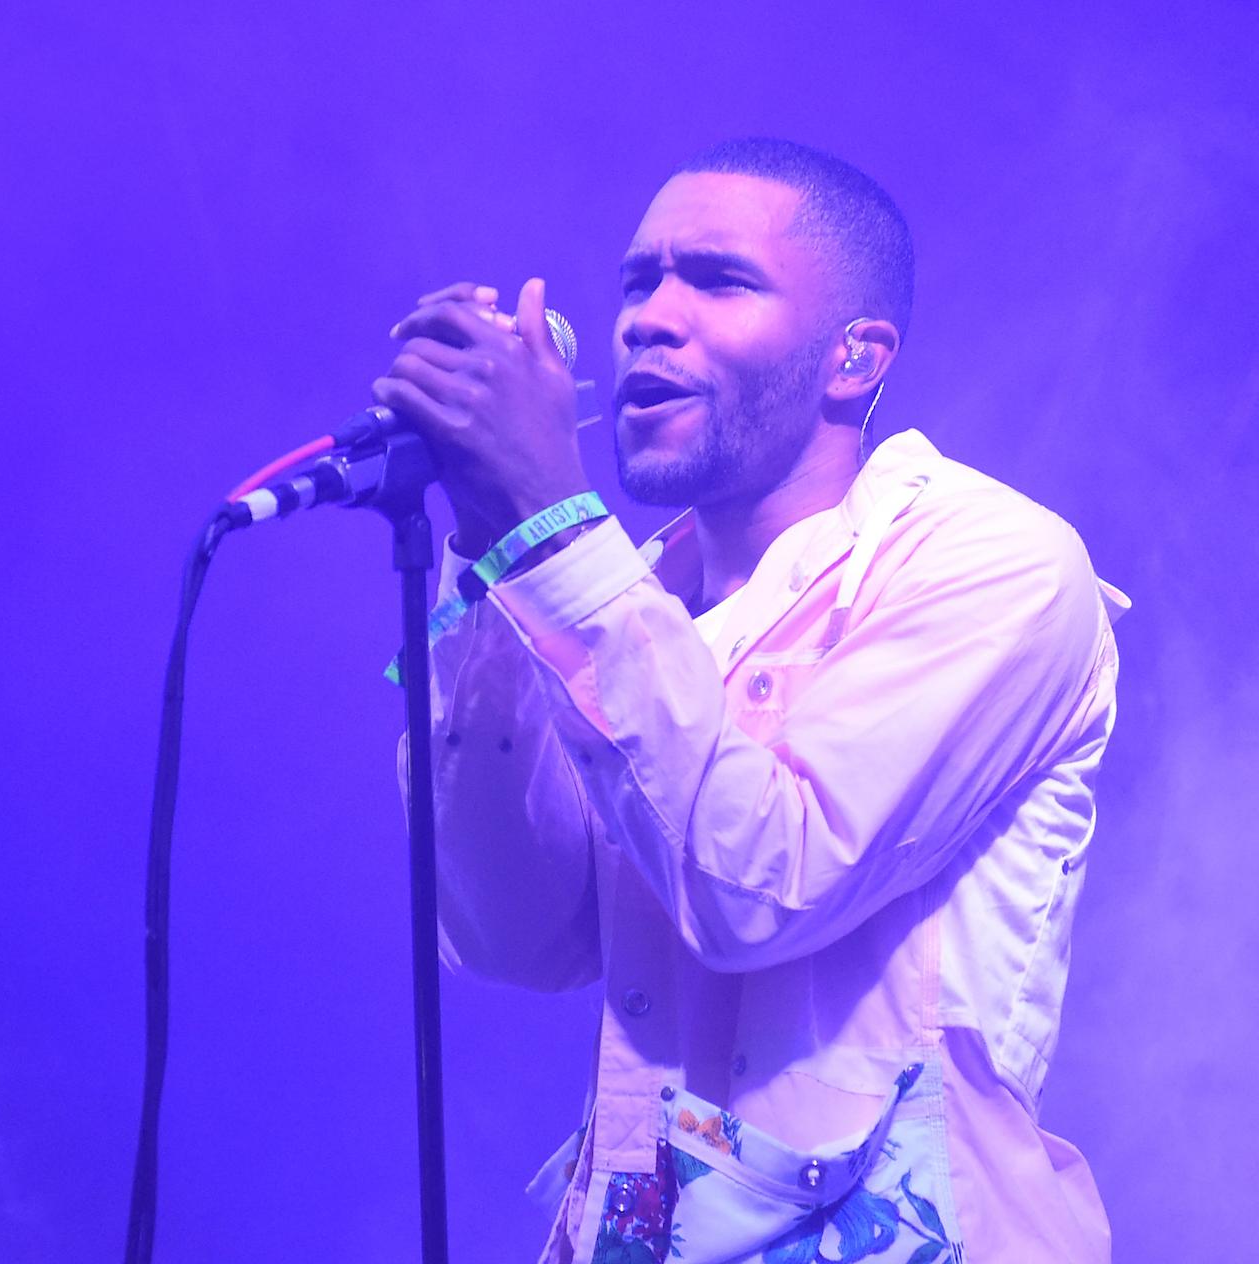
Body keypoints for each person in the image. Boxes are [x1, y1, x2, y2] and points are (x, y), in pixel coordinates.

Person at [377, 138, 1127, 1264]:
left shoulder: (993, 560)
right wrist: (490, 547)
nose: (647, 318)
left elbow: (762, 879)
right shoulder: (634, 600)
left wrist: (555, 530)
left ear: (853, 359)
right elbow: (513, 933)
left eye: (716, 280)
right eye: (638, 281)